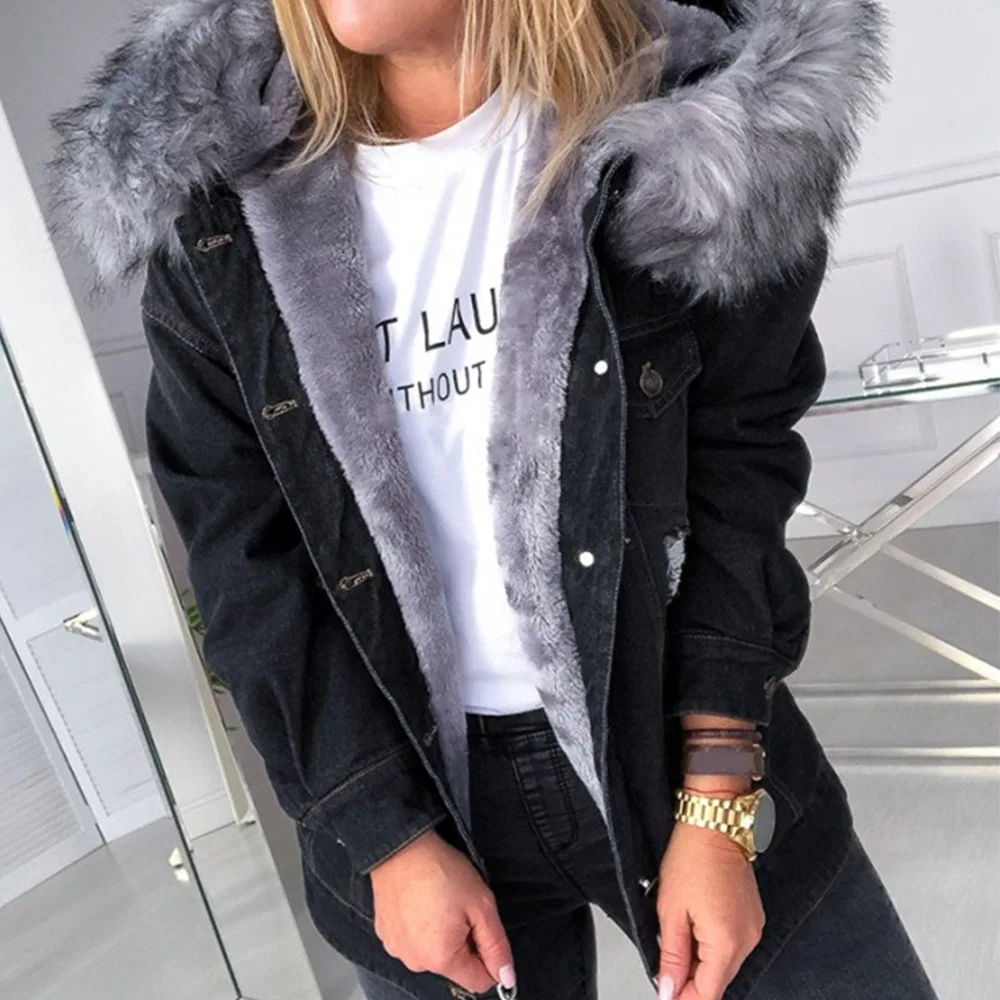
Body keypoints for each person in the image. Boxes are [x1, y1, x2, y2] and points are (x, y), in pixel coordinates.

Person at [50, 1, 941, 998]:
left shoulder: (695, 137)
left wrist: (719, 798)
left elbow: (740, 477)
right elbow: (242, 561)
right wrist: (383, 838)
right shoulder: (222, 214)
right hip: (416, 807)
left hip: (682, 753)